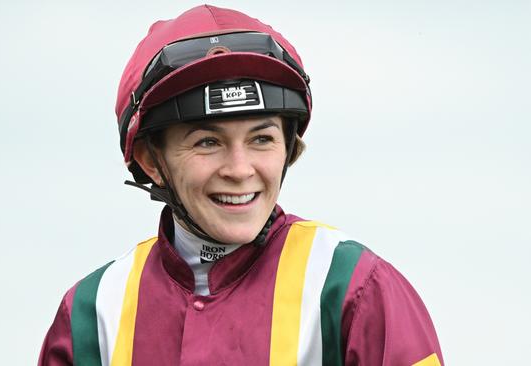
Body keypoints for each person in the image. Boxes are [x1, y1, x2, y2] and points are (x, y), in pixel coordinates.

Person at [38, 5, 443, 366]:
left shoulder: (357, 289)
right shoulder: (91, 316)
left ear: (288, 146)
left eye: (261, 138)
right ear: (150, 160)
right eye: (208, 142)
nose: (240, 168)